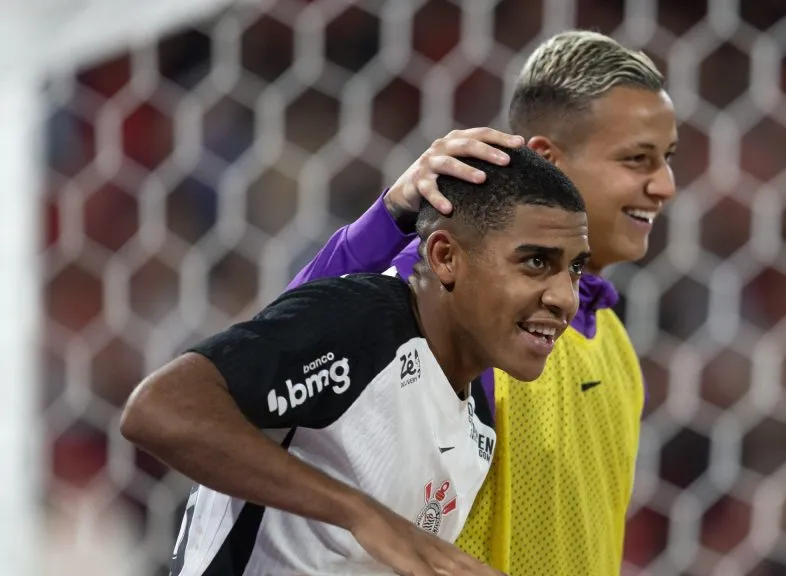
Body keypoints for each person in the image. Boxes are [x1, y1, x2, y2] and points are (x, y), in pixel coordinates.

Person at [287, 30, 678, 574]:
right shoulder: (466, 299)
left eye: (667, 159)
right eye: (638, 160)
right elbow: (281, 354)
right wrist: (389, 215)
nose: (665, 185)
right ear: (548, 160)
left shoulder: (613, 341)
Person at [119, 145, 591, 576]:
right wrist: (363, 514)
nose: (564, 298)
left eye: (574, 269)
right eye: (535, 262)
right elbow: (159, 408)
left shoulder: (478, 420)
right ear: (446, 256)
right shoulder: (360, 323)